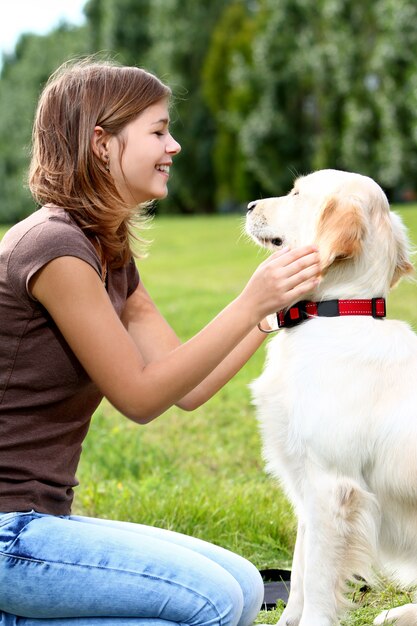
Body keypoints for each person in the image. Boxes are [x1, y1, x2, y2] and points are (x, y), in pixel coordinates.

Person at [0, 58, 320, 625]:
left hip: (40, 522)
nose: (173, 146)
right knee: (211, 602)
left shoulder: (107, 252)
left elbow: (185, 388)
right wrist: (249, 300)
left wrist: (271, 315)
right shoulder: (53, 248)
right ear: (101, 143)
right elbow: (141, 398)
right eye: (158, 130)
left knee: (244, 586)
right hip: (10, 534)